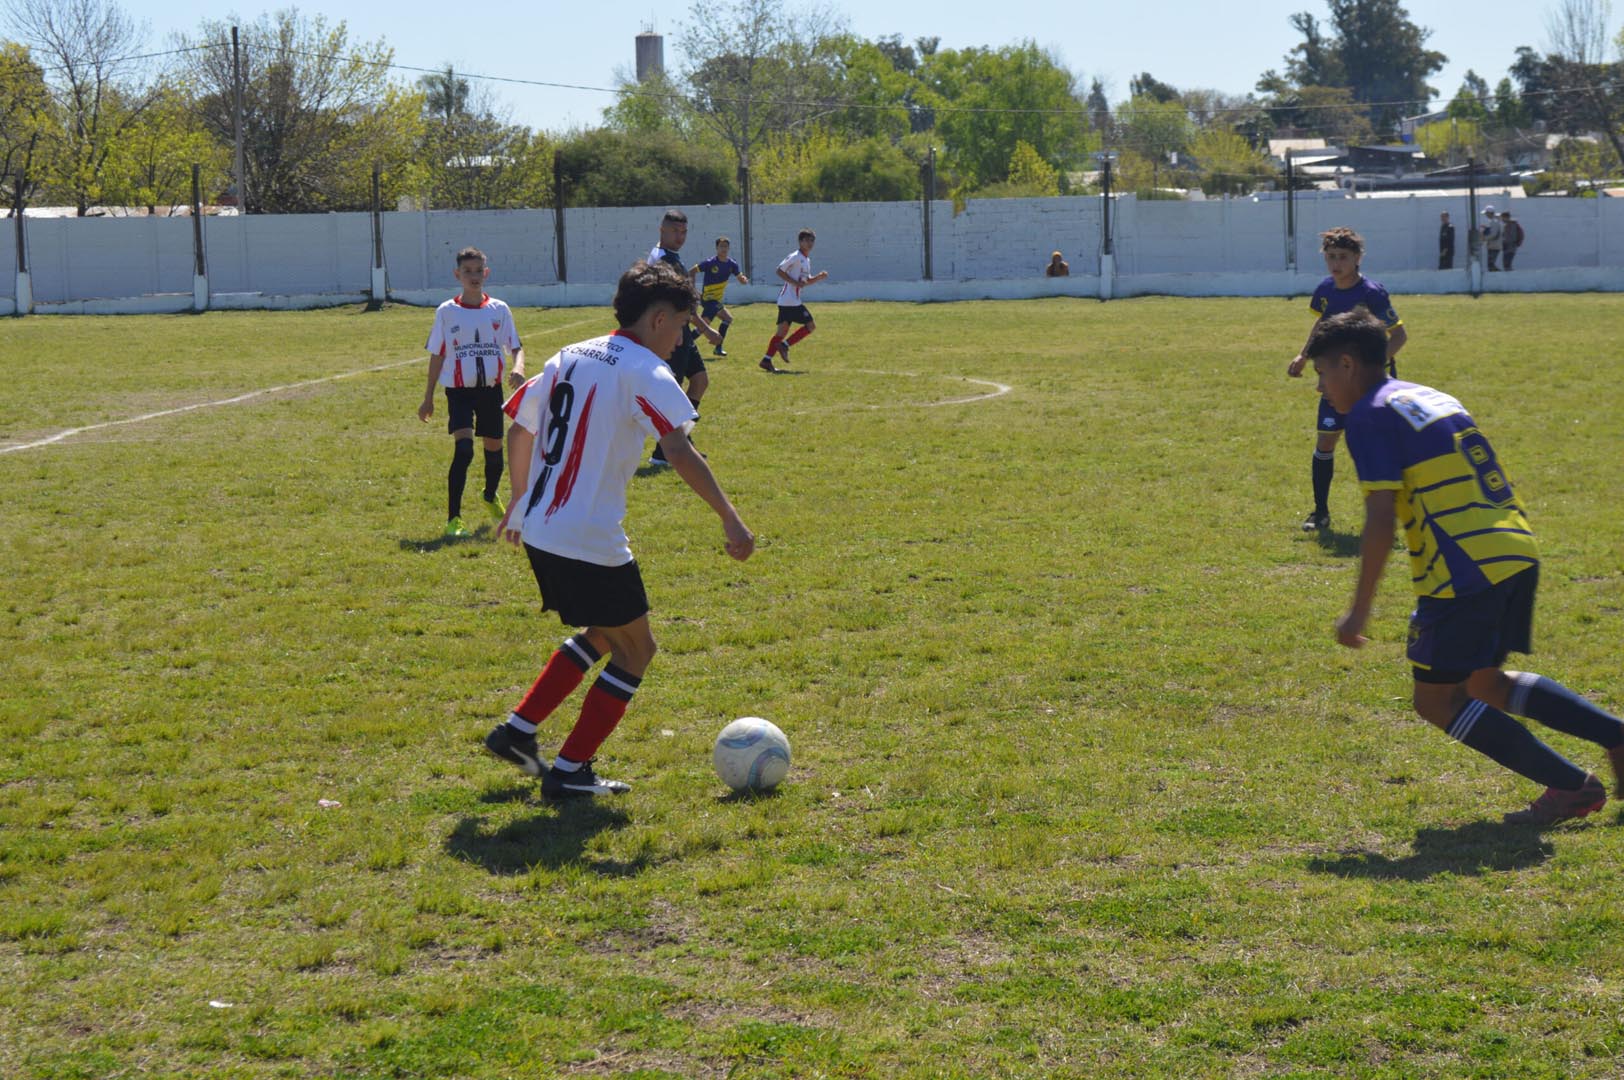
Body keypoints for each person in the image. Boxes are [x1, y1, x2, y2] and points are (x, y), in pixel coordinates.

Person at [1309, 309, 1624, 824]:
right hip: (1513, 548)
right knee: (1484, 683)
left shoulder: (1367, 414)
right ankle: (1615, 734)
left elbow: (1381, 518)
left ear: (1347, 363)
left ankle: (1572, 788)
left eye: (1323, 373)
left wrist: (1358, 612)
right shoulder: (1427, 395)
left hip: (1463, 569)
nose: (1321, 387)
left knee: (1436, 701)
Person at [484, 260, 755, 798]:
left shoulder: (569, 354)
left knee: (607, 633)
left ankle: (517, 731)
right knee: (638, 649)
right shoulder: (645, 371)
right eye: (680, 326)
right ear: (658, 319)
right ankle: (569, 772)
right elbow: (678, 449)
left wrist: (518, 500)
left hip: (543, 528)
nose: (681, 341)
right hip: (587, 536)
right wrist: (732, 518)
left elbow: (520, 424)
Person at [1285, 226, 1407, 533]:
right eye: (1330, 257)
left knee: (1376, 448)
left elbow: (1399, 335)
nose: (1335, 263)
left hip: (1369, 388)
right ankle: (1320, 512)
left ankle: (1391, 516)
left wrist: (1368, 371)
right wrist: (1304, 355)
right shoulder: (1325, 291)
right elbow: (1321, 326)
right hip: (1335, 386)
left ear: (1357, 258)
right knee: (1326, 442)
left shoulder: (1372, 294)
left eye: (1342, 257)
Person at [418, 246, 526, 539]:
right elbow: (438, 355)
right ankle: (453, 519)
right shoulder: (446, 312)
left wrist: (518, 367)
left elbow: (515, 346)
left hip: (490, 391)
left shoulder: (499, 309)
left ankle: (490, 495)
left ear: (486, 273)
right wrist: (428, 397)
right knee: (464, 450)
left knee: (494, 453)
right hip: (459, 392)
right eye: (467, 271)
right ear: (458, 275)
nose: (474, 276)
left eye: (478, 271)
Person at [647, 209, 722, 467]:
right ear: (662, 230)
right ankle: (665, 450)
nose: (680, 236)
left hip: (681, 332)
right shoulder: (661, 259)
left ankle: (678, 442)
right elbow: (677, 302)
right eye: (674, 231)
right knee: (674, 393)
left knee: (700, 381)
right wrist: (706, 328)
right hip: (671, 334)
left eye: (683, 232)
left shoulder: (671, 257)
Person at [760, 229, 829, 374]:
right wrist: (794, 283)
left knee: (781, 332)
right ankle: (784, 345)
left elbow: (805, 281)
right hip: (790, 301)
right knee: (810, 326)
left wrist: (818, 278)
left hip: (789, 300)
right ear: (800, 241)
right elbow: (779, 270)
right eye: (807, 240)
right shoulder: (795, 256)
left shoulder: (806, 260)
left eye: (812, 241)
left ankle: (766, 360)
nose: (810, 243)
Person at [691, 236, 749, 357]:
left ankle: (717, 347)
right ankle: (684, 346)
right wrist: (693, 289)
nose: (724, 249)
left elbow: (740, 277)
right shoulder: (710, 262)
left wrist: (743, 280)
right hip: (708, 300)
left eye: (726, 246)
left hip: (716, 300)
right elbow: (692, 271)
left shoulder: (732, 264)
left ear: (728, 248)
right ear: (717, 248)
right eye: (721, 246)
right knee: (705, 325)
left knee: (708, 325)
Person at [1481, 206, 1503, 271]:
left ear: (1490, 213)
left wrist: (1484, 238)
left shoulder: (1494, 222)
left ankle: (1500, 276)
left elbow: (1493, 235)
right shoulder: (1495, 221)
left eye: (1486, 213)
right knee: (1491, 265)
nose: (1486, 215)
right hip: (1493, 245)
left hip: (1494, 246)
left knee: (1490, 265)